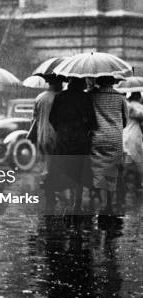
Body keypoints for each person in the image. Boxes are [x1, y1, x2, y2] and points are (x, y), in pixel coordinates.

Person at [47, 77, 97, 213]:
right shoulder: (86, 97)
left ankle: (66, 200)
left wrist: (62, 129)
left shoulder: (60, 97)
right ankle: (77, 202)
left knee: (63, 168)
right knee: (79, 170)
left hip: (63, 138)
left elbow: (52, 118)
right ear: (82, 83)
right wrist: (86, 128)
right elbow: (92, 120)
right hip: (80, 139)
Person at [89, 76, 128, 215]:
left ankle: (101, 201)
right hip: (115, 139)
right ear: (113, 81)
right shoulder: (120, 97)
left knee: (98, 170)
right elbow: (125, 120)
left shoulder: (92, 96)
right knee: (113, 171)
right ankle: (110, 203)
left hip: (97, 137)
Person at [28, 75, 62, 175]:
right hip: (56, 136)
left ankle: (47, 184)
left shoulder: (40, 97)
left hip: (42, 135)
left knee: (46, 164)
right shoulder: (59, 97)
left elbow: (34, 119)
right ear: (57, 83)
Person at [122, 91, 143, 190]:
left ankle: (123, 181)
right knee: (138, 159)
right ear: (138, 97)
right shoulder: (137, 107)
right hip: (134, 135)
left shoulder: (126, 104)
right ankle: (138, 182)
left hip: (125, 134)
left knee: (128, 158)